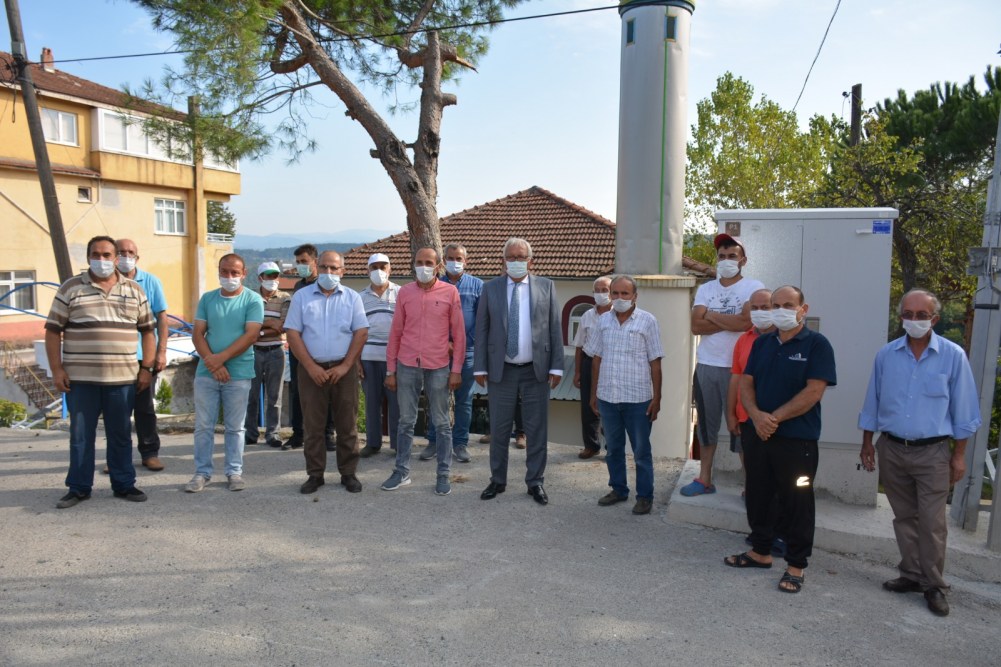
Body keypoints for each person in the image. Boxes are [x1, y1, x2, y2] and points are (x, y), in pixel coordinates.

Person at [858, 289, 981, 617]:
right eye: (908, 314)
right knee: (904, 517)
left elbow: (965, 411)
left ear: (934, 319)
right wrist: (867, 442)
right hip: (892, 448)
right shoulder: (886, 355)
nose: (914, 320)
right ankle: (911, 574)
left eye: (922, 315)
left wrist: (959, 455)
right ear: (901, 317)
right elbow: (873, 400)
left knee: (932, 522)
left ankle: (934, 585)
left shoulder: (953, 356)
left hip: (933, 453)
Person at [724, 286, 836, 595]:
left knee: (798, 501)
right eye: (776, 305)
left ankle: (796, 565)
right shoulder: (762, 343)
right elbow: (746, 383)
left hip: (797, 440)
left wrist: (773, 418)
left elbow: (814, 391)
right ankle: (760, 551)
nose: (780, 310)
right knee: (758, 494)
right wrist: (756, 416)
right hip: (758, 435)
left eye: (788, 304)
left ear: (803, 309)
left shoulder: (817, 345)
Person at [46, 235, 156, 508]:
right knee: (81, 436)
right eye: (96, 254)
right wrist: (57, 370)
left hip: (122, 379)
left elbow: (148, 331)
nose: (102, 260)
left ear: (116, 258)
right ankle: (79, 488)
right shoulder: (71, 288)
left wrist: (146, 368)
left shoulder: (134, 290)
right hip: (81, 380)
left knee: (120, 434)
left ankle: (124, 484)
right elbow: (53, 331)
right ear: (88, 258)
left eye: (107, 255)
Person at [475, 238, 563, 506]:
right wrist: (480, 366)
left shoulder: (546, 286)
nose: (515, 261)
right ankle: (497, 480)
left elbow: (555, 327)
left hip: (536, 370)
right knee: (499, 429)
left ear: (530, 261)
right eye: (511, 257)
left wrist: (556, 365)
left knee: (536, 430)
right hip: (501, 370)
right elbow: (482, 329)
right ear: (503, 261)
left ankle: (535, 482)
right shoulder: (490, 288)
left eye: (521, 257)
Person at [684, 233, 763, 497]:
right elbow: (696, 326)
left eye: (732, 256)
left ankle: (751, 486)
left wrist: (712, 315)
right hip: (707, 365)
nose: (726, 260)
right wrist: (732, 320)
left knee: (742, 425)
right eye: (722, 256)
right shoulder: (706, 289)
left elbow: (746, 322)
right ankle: (705, 479)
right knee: (706, 425)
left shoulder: (753, 287)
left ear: (743, 260)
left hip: (741, 369)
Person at [382, 247, 465, 496]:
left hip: (438, 366)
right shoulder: (405, 292)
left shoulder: (450, 292)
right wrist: (390, 370)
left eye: (429, 262)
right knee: (406, 421)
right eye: (419, 262)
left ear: (438, 266)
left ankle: (443, 474)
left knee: (442, 423)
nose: (424, 267)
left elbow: (459, 335)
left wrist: (456, 369)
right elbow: (396, 333)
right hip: (407, 364)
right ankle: (401, 471)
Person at [284, 251, 368, 495]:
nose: (328, 272)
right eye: (324, 267)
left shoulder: (352, 297)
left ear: (343, 271)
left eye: (334, 268)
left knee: (347, 425)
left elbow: (361, 332)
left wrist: (346, 366)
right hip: (311, 369)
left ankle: (348, 473)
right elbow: (292, 333)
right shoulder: (301, 297)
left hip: (344, 369)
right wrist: (310, 367)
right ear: (317, 268)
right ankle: (315, 475)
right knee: (313, 426)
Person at [185, 254, 264, 493]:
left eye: (234, 272)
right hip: (207, 372)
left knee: (235, 427)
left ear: (244, 274)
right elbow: (198, 333)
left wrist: (220, 359)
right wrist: (214, 364)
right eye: (225, 272)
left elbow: (251, 335)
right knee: (203, 426)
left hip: (238, 373)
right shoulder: (208, 299)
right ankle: (202, 472)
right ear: (219, 271)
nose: (229, 277)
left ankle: (234, 472)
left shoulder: (253, 299)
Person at [586, 275, 663, 515]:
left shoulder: (648, 321)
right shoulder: (603, 321)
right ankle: (618, 489)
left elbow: (655, 362)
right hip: (608, 397)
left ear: (635, 296)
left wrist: (657, 398)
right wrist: (594, 393)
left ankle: (645, 496)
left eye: (625, 294)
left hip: (638, 399)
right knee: (613, 449)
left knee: (641, 451)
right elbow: (596, 359)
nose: (619, 298)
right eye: (616, 293)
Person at [422, 243, 484, 463]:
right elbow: (428, 319)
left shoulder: (478, 285)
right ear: (443, 261)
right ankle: (434, 441)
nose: (454, 262)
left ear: (466, 261)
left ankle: (460, 444)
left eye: (459, 258)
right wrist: (445, 342)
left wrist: (462, 343)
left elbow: (481, 320)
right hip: (438, 352)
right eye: (450, 258)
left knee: (464, 400)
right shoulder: (434, 284)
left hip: (468, 352)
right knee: (436, 398)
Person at [114, 238, 169, 472]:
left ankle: (149, 453)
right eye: (121, 252)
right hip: (115, 357)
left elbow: (162, 318)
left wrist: (161, 352)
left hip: (143, 355)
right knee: (117, 410)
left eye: (130, 252)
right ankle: (118, 457)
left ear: (137, 256)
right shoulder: (107, 283)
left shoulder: (150, 281)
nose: (126, 256)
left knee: (144, 408)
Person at [282, 243, 336, 452]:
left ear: (315, 262)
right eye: (298, 262)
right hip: (299, 347)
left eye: (304, 261)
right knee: (298, 391)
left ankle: (327, 434)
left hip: (321, 346)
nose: (300, 266)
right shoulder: (298, 287)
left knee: (327, 391)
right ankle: (298, 434)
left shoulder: (325, 284)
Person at [725, 288, 774, 490]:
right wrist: (730, 414)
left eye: (765, 307)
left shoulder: (784, 340)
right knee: (749, 466)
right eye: (755, 308)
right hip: (745, 418)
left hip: (773, 419)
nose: (760, 312)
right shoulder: (743, 340)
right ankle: (751, 493)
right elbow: (735, 378)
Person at [358, 253, 401, 457]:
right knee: (372, 403)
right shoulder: (360, 297)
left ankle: (398, 444)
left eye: (383, 267)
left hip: (395, 358)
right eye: (374, 267)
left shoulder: (401, 293)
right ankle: (373, 443)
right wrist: (356, 361)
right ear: (367, 271)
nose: (379, 271)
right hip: (368, 357)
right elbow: (355, 330)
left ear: (390, 269)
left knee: (397, 404)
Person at [245, 261, 291, 448]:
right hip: (253, 352)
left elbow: (283, 326)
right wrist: (269, 324)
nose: (272, 279)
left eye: (275, 275)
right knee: (251, 395)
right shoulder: (250, 297)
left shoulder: (285, 298)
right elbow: (246, 323)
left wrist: (259, 330)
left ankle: (273, 433)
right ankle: (250, 433)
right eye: (268, 275)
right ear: (260, 278)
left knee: (275, 397)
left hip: (275, 351)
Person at [573, 275, 612, 459]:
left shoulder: (618, 315)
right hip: (589, 363)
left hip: (610, 365)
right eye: (597, 290)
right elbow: (579, 346)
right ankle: (591, 445)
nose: (600, 294)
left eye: (604, 290)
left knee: (610, 406)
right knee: (588, 406)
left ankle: (612, 448)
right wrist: (577, 372)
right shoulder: (587, 315)